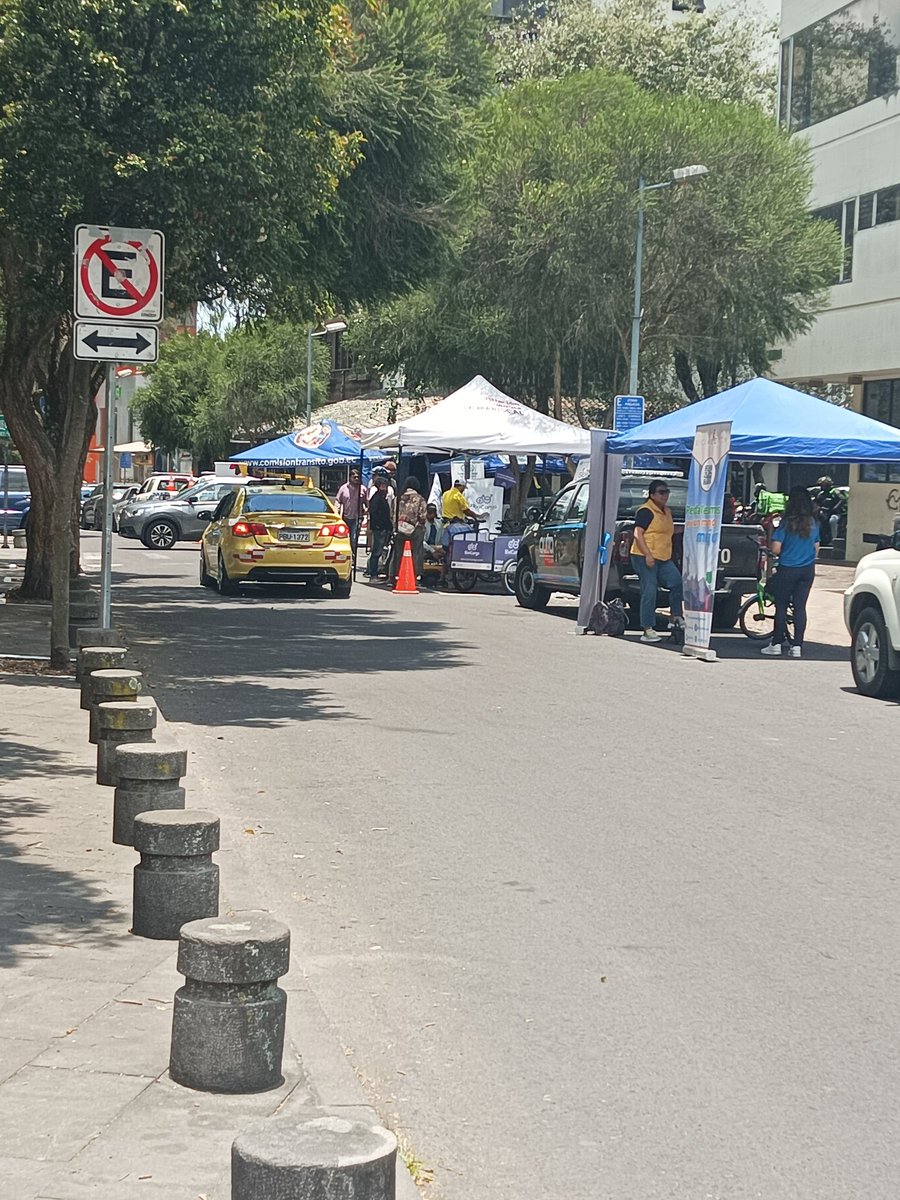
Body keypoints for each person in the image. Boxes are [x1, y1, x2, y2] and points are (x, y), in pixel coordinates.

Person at [762, 485, 819, 658]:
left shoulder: (786, 523)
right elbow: (816, 548)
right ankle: (797, 646)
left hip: (788, 568)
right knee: (800, 607)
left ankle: (777, 644)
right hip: (807, 570)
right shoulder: (813, 523)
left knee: (781, 605)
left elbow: (776, 549)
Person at [630, 479, 684, 644]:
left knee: (676, 582)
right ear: (652, 494)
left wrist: (690, 527)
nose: (665, 495)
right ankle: (647, 628)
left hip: (663, 557)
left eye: (667, 492)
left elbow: (667, 530)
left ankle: (675, 617)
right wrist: (647, 555)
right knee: (650, 590)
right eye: (661, 492)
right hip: (644, 556)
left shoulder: (666, 511)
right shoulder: (646, 511)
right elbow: (638, 534)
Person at [441, 479, 485, 583]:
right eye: (463, 488)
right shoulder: (458, 496)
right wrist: (477, 516)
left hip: (447, 525)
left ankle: (445, 576)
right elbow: (466, 511)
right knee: (469, 539)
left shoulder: (445, 494)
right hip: (457, 526)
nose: (463, 490)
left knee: (447, 550)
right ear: (460, 487)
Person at [390, 477, 427, 584]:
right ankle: (413, 576)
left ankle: (395, 575)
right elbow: (422, 516)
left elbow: (392, 513)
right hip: (415, 529)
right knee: (415, 553)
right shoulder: (420, 499)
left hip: (399, 528)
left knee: (398, 552)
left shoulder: (398, 498)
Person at [366, 475, 393, 579]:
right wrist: (379, 526)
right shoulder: (376, 498)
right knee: (376, 552)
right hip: (379, 529)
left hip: (383, 528)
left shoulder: (382, 498)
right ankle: (373, 574)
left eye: (386, 486)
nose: (385, 489)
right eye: (383, 486)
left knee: (380, 551)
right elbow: (374, 513)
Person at [335, 468, 366, 551]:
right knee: (344, 537)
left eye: (358, 477)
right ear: (350, 477)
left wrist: (366, 510)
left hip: (357, 517)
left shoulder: (362, 489)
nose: (356, 479)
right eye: (354, 477)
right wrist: (336, 511)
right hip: (345, 517)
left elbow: (367, 502)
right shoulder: (343, 488)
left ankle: (353, 555)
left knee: (354, 538)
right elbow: (338, 500)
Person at [813, 476, 841, 546]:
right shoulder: (821, 494)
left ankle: (834, 539)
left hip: (834, 513)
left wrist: (835, 508)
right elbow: (817, 502)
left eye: (822, 485)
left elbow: (842, 499)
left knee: (832, 521)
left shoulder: (834, 492)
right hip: (824, 513)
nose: (821, 486)